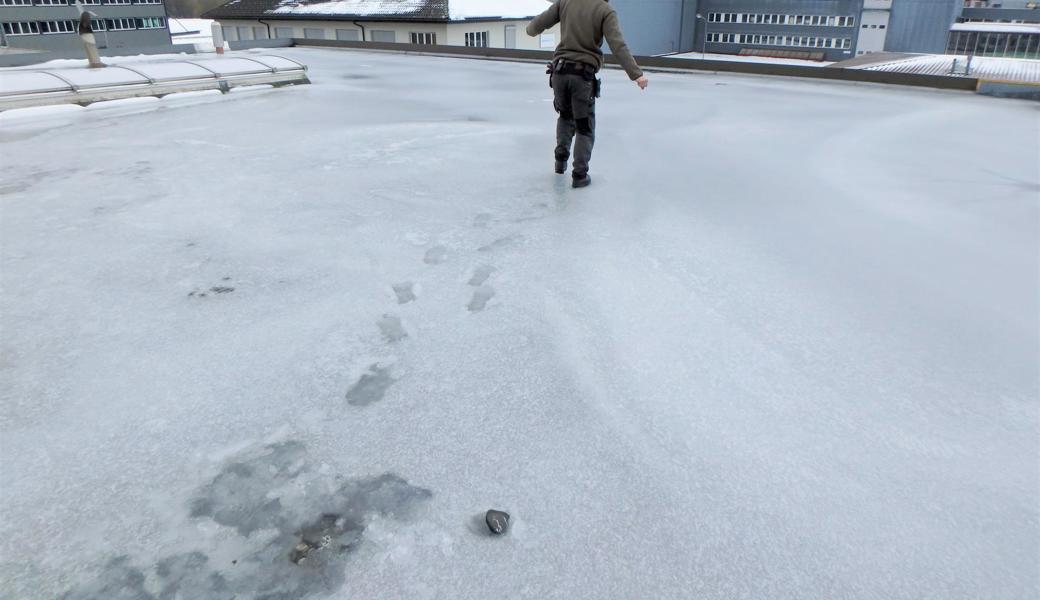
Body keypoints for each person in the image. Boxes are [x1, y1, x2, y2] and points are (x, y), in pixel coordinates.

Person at [527, 0, 648, 188]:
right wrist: (637, 75)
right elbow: (618, 45)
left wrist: (530, 29)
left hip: (559, 73)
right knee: (584, 126)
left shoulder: (566, 2)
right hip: (581, 76)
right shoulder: (605, 10)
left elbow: (536, 26)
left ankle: (560, 163)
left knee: (565, 117)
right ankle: (580, 175)